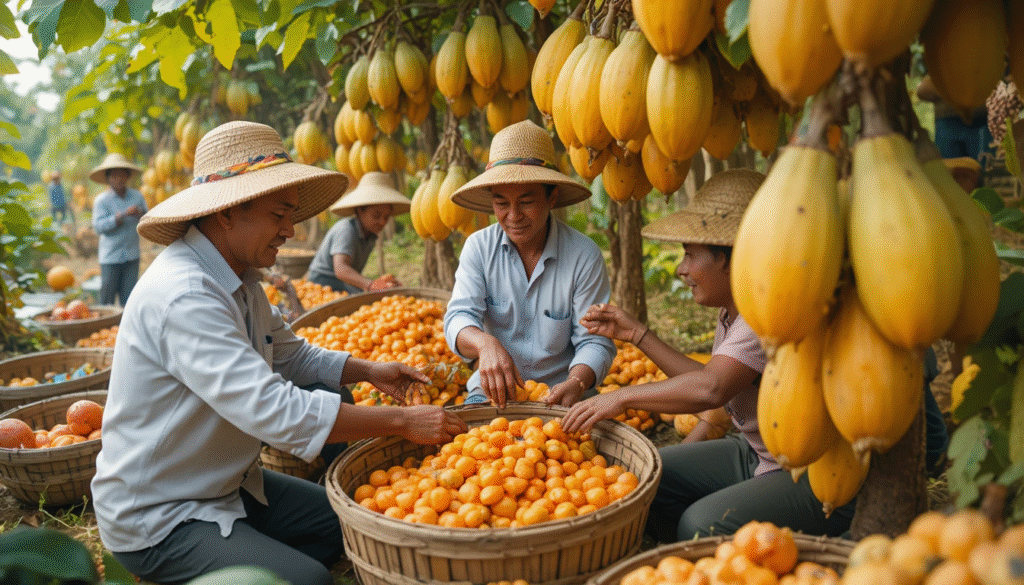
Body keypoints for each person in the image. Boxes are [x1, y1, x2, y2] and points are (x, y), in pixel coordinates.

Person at [91, 121, 467, 585]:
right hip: (163, 513)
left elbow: (293, 356)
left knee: (353, 525)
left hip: (228, 483)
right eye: (279, 215)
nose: (290, 229)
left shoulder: (240, 279)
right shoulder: (185, 294)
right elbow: (274, 410)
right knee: (308, 580)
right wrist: (403, 422)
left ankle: (242, 554)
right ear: (227, 212)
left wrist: (370, 370)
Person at [561, 169, 948, 542]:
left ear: (733, 256)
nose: (681, 269)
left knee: (700, 524)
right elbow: (716, 380)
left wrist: (622, 396)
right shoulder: (737, 308)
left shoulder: (768, 317)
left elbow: (712, 389)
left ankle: (730, 550)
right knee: (647, 475)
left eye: (690, 255)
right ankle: (683, 555)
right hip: (759, 452)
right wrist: (637, 334)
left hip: (817, 473)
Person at [444, 120, 616, 408]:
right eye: (501, 204)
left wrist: (576, 382)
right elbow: (458, 318)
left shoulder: (583, 255)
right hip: (494, 392)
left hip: (562, 396)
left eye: (526, 202)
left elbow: (594, 341)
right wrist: (485, 344)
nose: (513, 216)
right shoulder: (478, 248)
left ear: (552, 197)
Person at [307, 171, 408, 294]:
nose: (382, 222)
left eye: (386, 217)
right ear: (360, 211)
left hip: (342, 282)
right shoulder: (346, 230)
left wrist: (383, 283)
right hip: (322, 281)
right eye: (376, 215)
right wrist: (371, 285)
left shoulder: (370, 235)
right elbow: (341, 269)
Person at [90, 153, 148, 306]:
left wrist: (139, 214)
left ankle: (124, 321)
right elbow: (98, 227)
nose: (119, 179)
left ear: (127, 176)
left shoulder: (137, 196)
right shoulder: (101, 201)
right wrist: (120, 217)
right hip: (111, 257)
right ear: (108, 179)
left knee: (129, 299)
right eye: (114, 176)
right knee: (107, 299)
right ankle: (106, 321)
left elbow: (148, 219)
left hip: (131, 255)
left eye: (122, 175)